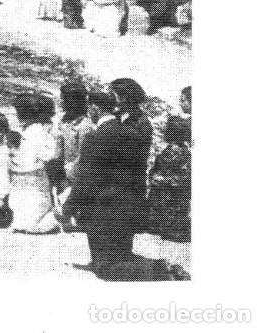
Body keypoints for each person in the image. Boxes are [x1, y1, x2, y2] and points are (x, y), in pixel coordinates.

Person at [63, 79, 184, 280]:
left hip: (110, 202)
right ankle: (159, 267)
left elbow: (91, 177)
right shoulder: (126, 127)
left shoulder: (126, 127)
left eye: (114, 94)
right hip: (125, 198)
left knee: (109, 267)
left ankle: (163, 270)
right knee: (117, 255)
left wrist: (70, 206)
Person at [8, 92, 61, 234]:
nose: (19, 116)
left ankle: (48, 221)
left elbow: (50, 155)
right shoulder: (22, 130)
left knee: (36, 209)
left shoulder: (39, 132)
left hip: (35, 177)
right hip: (20, 177)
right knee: (19, 205)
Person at [147, 115, 191, 244]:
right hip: (161, 199)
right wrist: (154, 176)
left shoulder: (182, 153)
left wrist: (162, 179)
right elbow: (157, 168)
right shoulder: (171, 149)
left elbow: (185, 177)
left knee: (171, 232)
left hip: (172, 200)